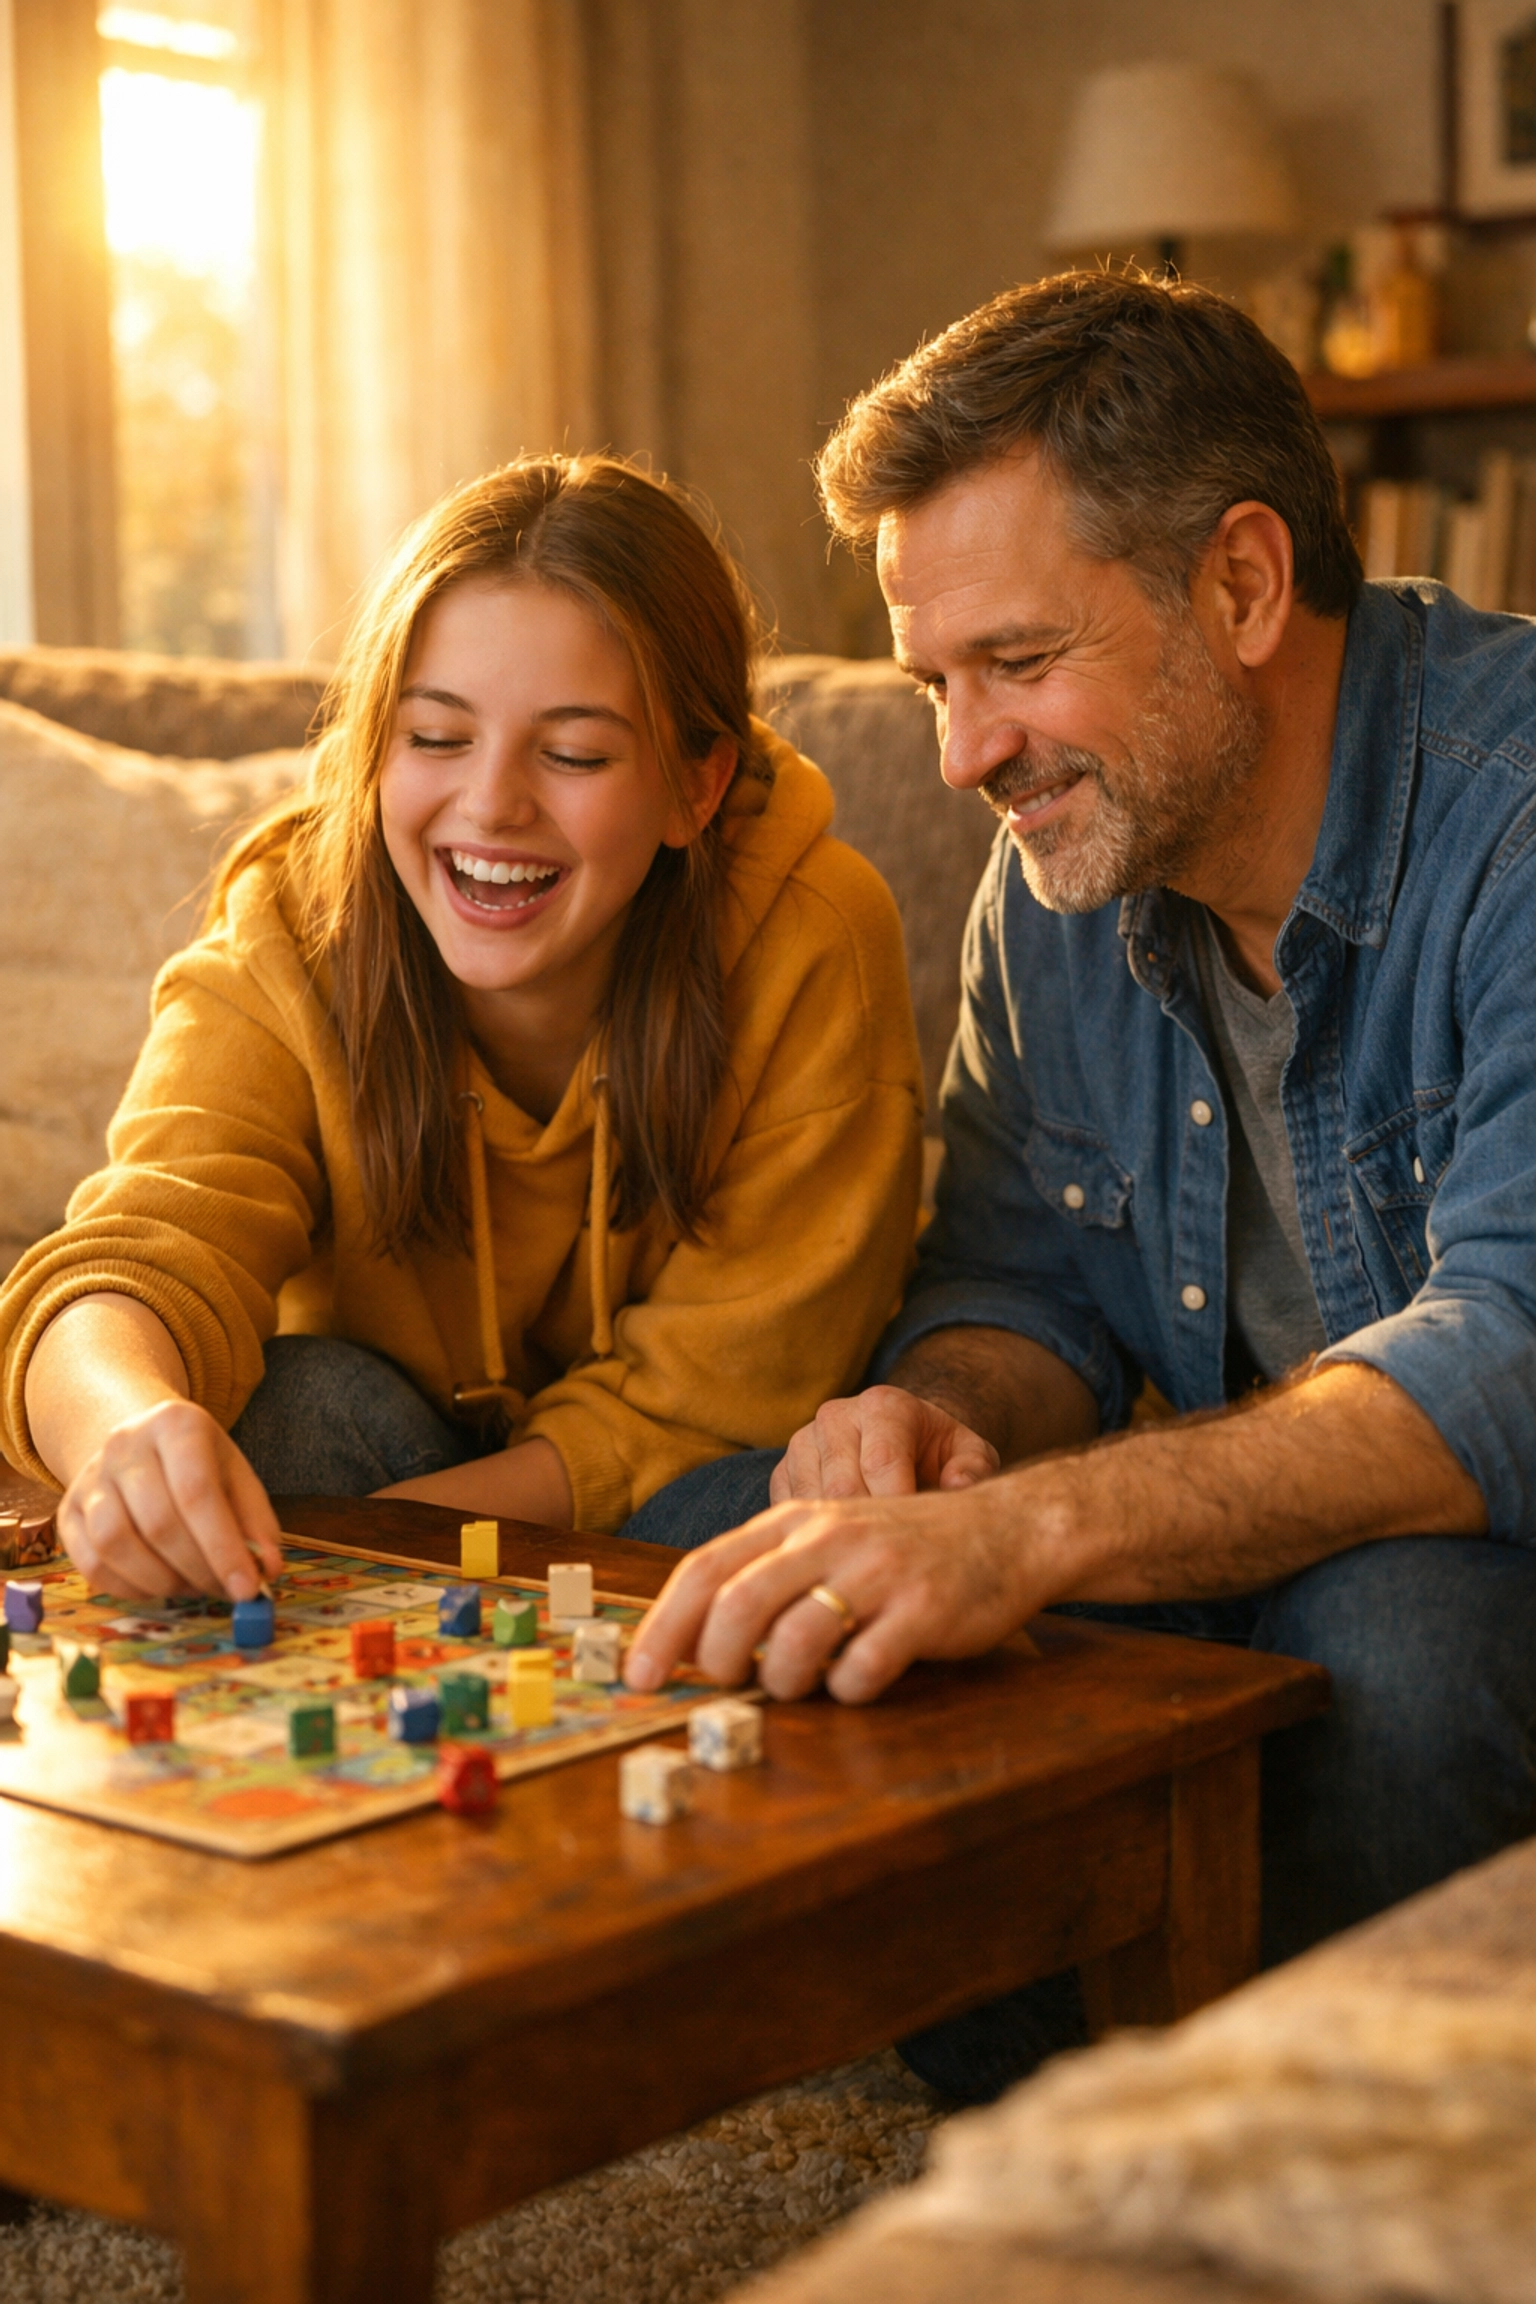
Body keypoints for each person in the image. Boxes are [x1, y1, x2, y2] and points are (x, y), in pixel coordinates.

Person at [623, 271, 1536, 2092]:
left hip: (1475, 1556)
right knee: (728, 1548)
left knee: (1395, 1646)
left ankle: (1308, 2169)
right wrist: (927, 1427)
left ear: (1245, 585)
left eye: (1018, 663)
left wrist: (1021, 1531)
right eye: (934, 683)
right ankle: (1084, 2112)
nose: (963, 755)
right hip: (1226, 1546)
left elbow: (1509, 1351)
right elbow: (1016, 1280)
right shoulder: (1059, 870)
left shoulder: (1510, 810)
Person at [0, 454, 922, 1601]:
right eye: (436, 738)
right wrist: (124, 1432)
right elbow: (143, 1244)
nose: (492, 804)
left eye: (574, 753)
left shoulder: (816, 931)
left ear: (697, 785)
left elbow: (726, 1392)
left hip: (658, 1493)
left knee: (787, 1507)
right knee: (299, 1406)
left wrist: (357, 1549)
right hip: (371, 1449)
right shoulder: (295, 916)